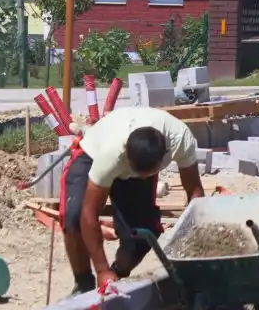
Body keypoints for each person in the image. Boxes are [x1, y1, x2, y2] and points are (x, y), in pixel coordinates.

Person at [60, 105, 204, 294]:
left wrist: (198, 242)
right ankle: (83, 284)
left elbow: (195, 193)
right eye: (139, 171)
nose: (144, 177)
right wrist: (101, 269)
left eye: (149, 172)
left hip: (140, 159)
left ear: (162, 158)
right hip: (92, 154)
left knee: (142, 237)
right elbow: (89, 213)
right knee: (74, 217)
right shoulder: (111, 154)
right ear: (126, 154)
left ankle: (117, 275)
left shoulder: (180, 139)